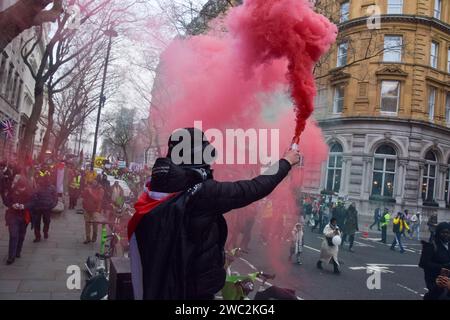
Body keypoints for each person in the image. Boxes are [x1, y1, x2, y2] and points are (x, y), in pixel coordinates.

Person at [127, 128, 300, 300]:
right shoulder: (202, 194)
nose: (209, 164)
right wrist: (285, 162)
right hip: (191, 292)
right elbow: (254, 188)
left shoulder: (156, 187)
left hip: (162, 286)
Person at [2, 176, 31, 265]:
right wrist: (12, 205)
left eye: (23, 188)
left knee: (21, 236)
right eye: (20, 188)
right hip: (13, 216)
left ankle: (18, 251)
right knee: (13, 235)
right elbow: (6, 201)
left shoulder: (29, 192)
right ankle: (11, 256)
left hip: (24, 217)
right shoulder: (12, 191)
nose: (21, 190)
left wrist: (24, 206)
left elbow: (33, 202)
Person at [419, 222, 450, 300]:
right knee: (437, 295)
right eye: (443, 232)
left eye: (448, 232)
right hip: (434, 277)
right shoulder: (431, 245)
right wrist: (442, 266)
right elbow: (423, 263)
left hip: (447, 277)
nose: (446, 235)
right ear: (438, 232)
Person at [29, 176, 57, 242]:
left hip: (47, 208)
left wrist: (52, 205)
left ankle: (45, 232)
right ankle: (38, 236)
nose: (46, 181)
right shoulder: (38, 187)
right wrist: (36, 203)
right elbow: (34, 195)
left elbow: (55, 197)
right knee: (37, 223)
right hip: (38, 208)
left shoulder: (52, 187)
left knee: (46, 222)